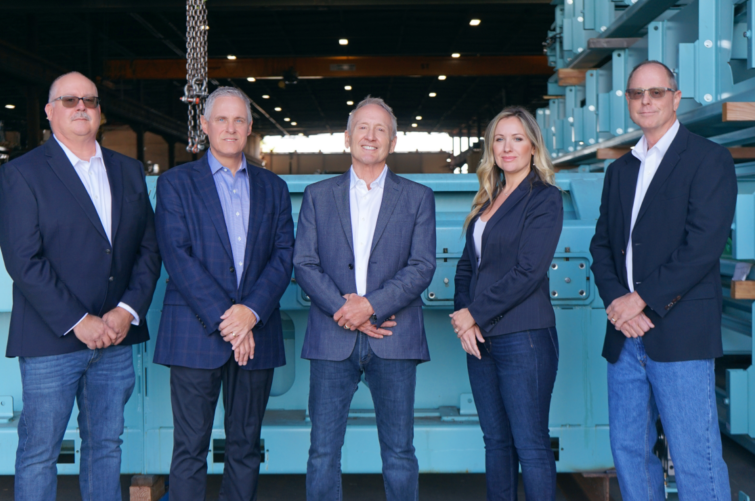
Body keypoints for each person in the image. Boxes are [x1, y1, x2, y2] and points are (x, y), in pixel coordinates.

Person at [0, 71, 161, 501]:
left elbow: (148, 250)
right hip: (52, 340)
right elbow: (24, 261)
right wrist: (79, 320)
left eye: (89, 99)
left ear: (100, 112)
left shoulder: (128, 171)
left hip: (115, 340)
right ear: (51, 113)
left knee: (105, 448)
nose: (81, 106)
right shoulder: (23, 173)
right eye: (70, 100)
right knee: (39, 452)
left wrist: (126, 311)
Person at [589, 60, 736, 500]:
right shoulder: (620, 170)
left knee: (696, 455)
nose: (646, 100)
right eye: (637, 93)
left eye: (657, 92)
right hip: (625, 335)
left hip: (679, 335)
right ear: (629, 102)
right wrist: (619, 301)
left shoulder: (708, 159)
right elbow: (602, 247)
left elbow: (702, 248)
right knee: (630, 451)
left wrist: (642, 301)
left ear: (675, 97)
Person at [153, 86, 294, 501]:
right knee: (190, 448)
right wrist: (230, 319)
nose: (230, 128)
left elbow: (284, 256)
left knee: (245, 446)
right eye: (221, 119)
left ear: (250, 128)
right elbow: (177, 256)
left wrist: (250, 312)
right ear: (205, 125)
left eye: (239, 120)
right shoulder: (176, 184)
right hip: (195, 333)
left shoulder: (273, 187)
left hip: (257, 330)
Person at [293, 96, 436, 501]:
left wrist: (370, 305)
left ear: (393, 142)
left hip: (394, 338)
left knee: (399, 452)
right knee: (322, 452)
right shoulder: (318, 195)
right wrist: (346, 310)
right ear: (347, 138)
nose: (370, 136)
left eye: (380, 130)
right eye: (362, 128)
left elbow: (422, 266)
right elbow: (304, 262)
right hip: (331, 338)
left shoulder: (417, 197)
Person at [451, 106, 563, 501]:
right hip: (481, 340)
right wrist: (466, 320)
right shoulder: (488, 199)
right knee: (495, 442)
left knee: (530, 445)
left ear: (533, 146)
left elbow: (528, 271)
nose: (507, 147)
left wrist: (473, 314)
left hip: (525, 337)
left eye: (516, 138)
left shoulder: (544, 199)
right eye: (499, 139)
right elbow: (467, 267)